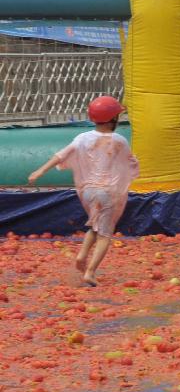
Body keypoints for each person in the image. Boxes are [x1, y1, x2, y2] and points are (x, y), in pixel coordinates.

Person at [28, 96, 139, 287]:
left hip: (88, 191)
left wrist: (40, 170)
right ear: (113, 119)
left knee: (94, 226)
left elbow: (61, 155)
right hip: (108, 192)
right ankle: (90, 272)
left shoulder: (82, 138)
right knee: (105, 235)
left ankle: (81, 256)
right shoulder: (119, 140)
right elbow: (130, 163)